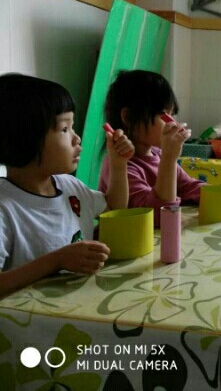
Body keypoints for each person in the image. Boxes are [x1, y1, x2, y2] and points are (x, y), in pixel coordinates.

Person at [0, 74, 134, 297]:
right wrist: (56, 261)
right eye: (64, 129)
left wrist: (118, 165)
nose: (76, 138)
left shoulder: (70, 187)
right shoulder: (5, 207)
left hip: (79, 306)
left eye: (72, 127)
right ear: (24, 136)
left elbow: (114, 209)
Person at [99, 70, 221, 225]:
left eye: (172, 115)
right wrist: (169, 159)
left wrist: (220, 196)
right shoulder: (120, 167)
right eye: (164, 115)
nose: (173, 123)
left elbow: (187, 186)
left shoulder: (157, 154)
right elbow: (159, 216)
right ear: (129, 117)